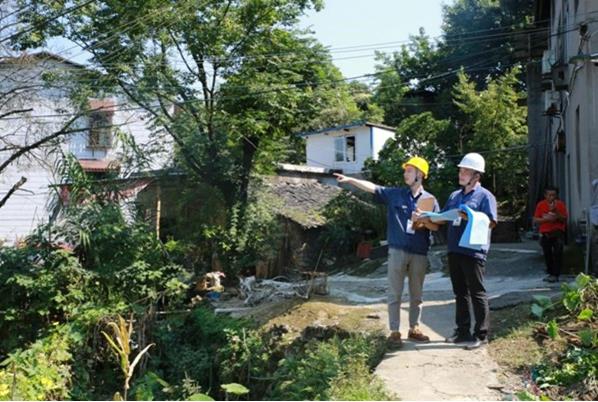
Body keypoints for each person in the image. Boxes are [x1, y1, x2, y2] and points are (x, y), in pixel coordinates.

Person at [334, 156, 439, 348]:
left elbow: (436, 226)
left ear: (420, 174)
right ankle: (395, 331)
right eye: (405, 170)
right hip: (397, 250)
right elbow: (373, 188)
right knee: (394, 293)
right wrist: (351, 180)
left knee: (417, 294)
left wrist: (424, 220)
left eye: (409, 170)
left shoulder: (430, 200)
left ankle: (414, 328)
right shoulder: (395, 194)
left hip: (419, 252)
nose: (405, 174)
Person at [425, 153, 497, 350]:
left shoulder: (485, 196)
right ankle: (462, 331)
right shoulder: (454, 196)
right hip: (455, 249)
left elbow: (491, 222)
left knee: (477, 292)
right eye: (461, 170)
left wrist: (470, 217)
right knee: (460, 293)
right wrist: (427, 216)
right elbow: (443, 217)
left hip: (473, 251)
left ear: (476, 175)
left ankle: (481, 335)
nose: (461, 173)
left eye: (466, 171)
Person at [533, 186, 568, 283]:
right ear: (545, 195)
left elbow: (564, 219)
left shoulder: (560, 204)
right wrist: (546, 219)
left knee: (558, 254)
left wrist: (556, 213)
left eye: (554, 195)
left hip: (557, 232)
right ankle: (550, 273)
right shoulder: (541, 205)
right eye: (549, 195)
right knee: (547, 254)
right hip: (545, 233)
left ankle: (556, 274)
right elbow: (536, 219)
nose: (551, 197)